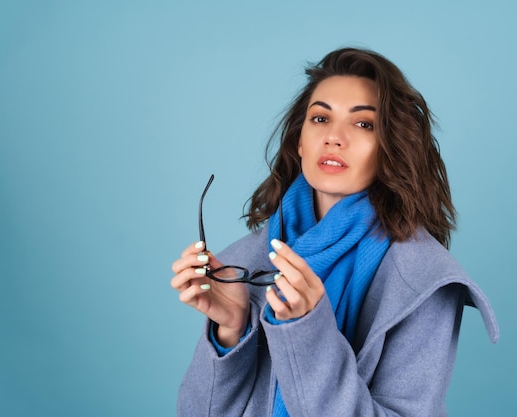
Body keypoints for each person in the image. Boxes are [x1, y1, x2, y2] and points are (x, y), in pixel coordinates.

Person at [170, 47, 499, 417]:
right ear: (300, 141)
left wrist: (308, 332)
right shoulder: (245, 262)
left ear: (391, 147)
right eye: (321, 118)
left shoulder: (423, 281)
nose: (334, 137)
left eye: (363, 124)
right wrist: (230, 332)